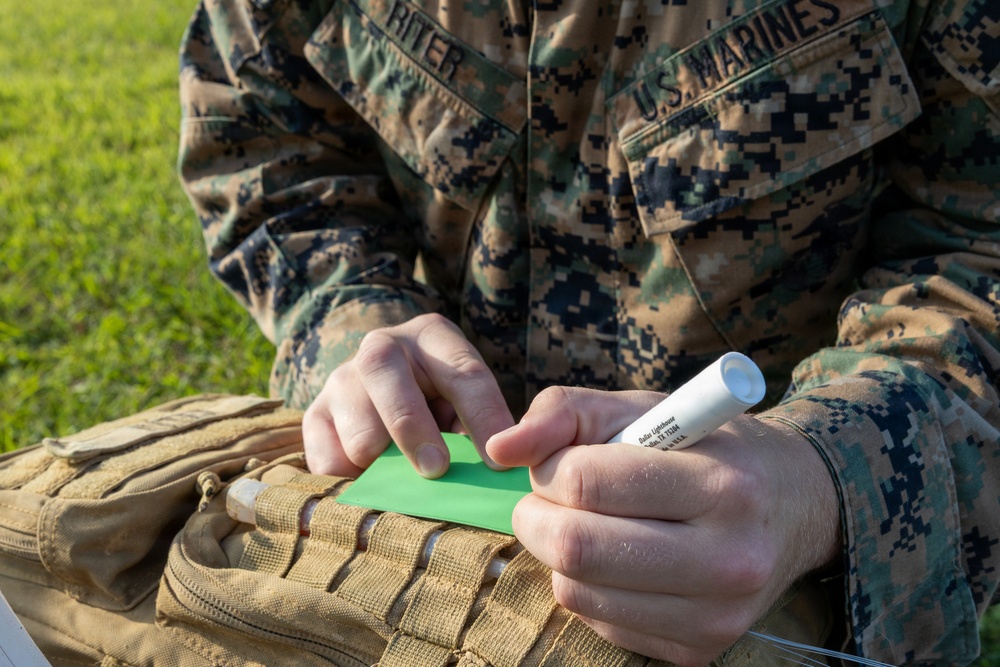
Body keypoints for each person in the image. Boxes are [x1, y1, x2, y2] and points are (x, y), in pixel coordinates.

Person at [178, 0, 1000, 664]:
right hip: (434, 530)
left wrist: (820, 475)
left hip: (774, 574)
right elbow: (268, 143)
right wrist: (358, 321)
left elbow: (978, 243)